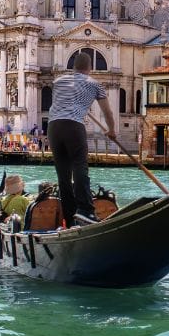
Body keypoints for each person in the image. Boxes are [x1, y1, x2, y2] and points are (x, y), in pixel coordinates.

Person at [47, 52, 116, 226]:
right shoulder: (95, 84)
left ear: (73, 67)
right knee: (80, 167)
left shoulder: (58, 81)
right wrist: (112, 130)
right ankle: (85, 210)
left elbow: (62, 103)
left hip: (53, 127)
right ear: (90, 68)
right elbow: (107, 112)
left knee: (63, 175)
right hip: (74, 126)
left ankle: (70, 218)